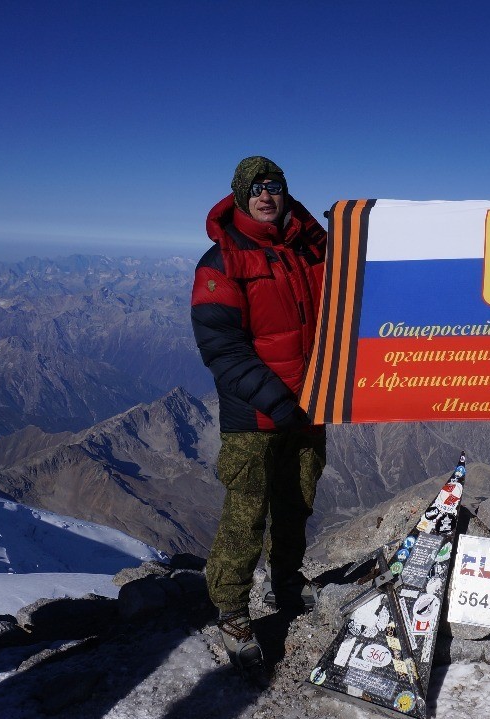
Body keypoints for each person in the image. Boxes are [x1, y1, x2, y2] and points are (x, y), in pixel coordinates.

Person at [191, 156, 328, 678]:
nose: (266, 195)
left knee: (298, 499)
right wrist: (276, 401)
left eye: (275, 187)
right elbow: (222, 349)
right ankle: (232, 612)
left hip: (312, 404)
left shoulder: (312, 251)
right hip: (256, 415)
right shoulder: (221, 262)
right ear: (240, 196)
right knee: (246, 512)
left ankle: (287, 583)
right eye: (256, 189)